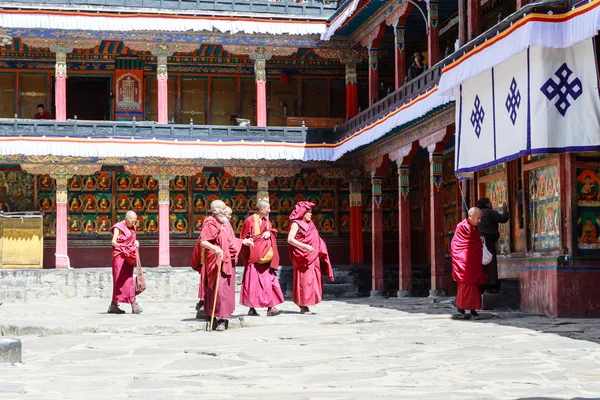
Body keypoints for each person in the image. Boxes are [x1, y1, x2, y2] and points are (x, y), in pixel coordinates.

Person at [191, 200, 253, 331]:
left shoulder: (226, 223)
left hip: (228, 260)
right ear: (214, 211)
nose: (226, 211)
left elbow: (230, 241)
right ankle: (213, 315)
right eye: (223, 208)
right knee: (217, 290)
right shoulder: (210, 222)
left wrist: (243, 241)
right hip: (216, 260)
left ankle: (223, 319)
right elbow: (203, 241)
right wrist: (216, 249)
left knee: (226, 292)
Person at [287, 201, 334, 314]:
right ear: (302, 212)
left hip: (313, 256)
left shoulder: (310, 223)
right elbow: (290, 239)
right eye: (308, 212)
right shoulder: (296, 223)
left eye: (311, 212)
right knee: (304, 281)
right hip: (303, 257)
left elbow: (315, 237)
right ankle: (303, 306)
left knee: (313, 281)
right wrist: (305, 246)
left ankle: (308, 303)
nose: (310, 215)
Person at [240, 200, 284, 317]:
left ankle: (270, 307)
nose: (270, 210)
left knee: (269, 282)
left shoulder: (267, 222)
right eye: (268, 208)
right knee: (252, 283)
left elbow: (270, 232)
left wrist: (269, 232)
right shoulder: (249, 221)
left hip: (266, 259)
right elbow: (243, 239)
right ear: (262, 209)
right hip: (254, 258)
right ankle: (252, 308)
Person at [451, 207, 486, 320]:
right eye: (478, 218)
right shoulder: (462, 227)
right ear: (470, 216)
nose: (479, 221)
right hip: (465, 262)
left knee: (474, 286)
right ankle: (470, 310)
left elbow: (473, 242)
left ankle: (462, 307)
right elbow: (458, 244)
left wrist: (479, 240)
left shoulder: (474, 227)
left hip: (473, 262)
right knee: (466, 285)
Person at [109, 211, 142, 315]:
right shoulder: (118, 227)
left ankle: (113, 305)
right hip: (119, 257)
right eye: (132, 221)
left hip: (129, 256)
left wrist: (136, 242)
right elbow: (113, 241)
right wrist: (123, 247)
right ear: (127, 219)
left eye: (135, 221)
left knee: (129, 278)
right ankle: (133, 304)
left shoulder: (133, 228)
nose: (134, 223)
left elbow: (133, 239)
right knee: (119, 280)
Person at [477, 198, 509, 293]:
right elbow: (503, 219)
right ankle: (489, 284)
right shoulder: (490, 212)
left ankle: (482, 283)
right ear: (487, 204)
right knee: (490, 261)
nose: (491, 204)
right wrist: (505, 210)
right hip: (489, 241)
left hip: (479, 241)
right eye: (490, 202)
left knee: (481, 262)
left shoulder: (477, 213)